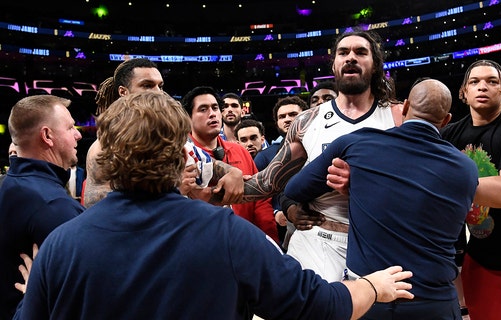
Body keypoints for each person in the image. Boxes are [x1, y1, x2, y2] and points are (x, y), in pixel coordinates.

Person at [11, 91, 415, 320]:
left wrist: (36, 295)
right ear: (182, 153)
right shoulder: (227, 234)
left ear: (108, 155)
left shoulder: (61, 246)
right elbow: (318, 306)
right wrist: (371, 287)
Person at [284, 78, 478, 319]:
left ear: (405, 107)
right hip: (436, 302)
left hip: (374, 298)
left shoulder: (356, 143)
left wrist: (357, 185)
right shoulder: (467, 169)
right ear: (446, 120)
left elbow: (294, 189)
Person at [238, 28, 403, 282]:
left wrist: (362, 184)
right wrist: (216, 188)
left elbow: (419, 187)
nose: (351, 57)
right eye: (343, 52)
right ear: (334, 65)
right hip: (317, 240)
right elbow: (269, 181)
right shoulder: (307, 121)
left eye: (360, 52)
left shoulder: (399, 117)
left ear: (375, 64)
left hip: (380, 241)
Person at [439, 59, 501, 320]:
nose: (482, 87)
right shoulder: (450, 135)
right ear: (463, 93)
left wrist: (446, 183)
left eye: (491, 81)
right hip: (483, 260)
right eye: (474, 82)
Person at [83, 58, 243, 208]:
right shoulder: (104, 147)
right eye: (147, 85)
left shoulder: (164, 136)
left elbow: (206, 161)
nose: (158, 93)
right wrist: (172, 192)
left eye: (160, 86)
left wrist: (232, 172)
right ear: (123, 92)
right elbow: (97, 209)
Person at [0, 95, 84, 319]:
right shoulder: (55, 207)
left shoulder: (9, 184)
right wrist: (36, 294)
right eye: (70, 127)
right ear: (47, 136)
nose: (78, 134)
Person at [181, 86, 279, 243]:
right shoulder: (179, 156)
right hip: (200, 246)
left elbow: (260, 203)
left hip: (245, 243)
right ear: (188, 117)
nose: (212, 113)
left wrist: (269, 238)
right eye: (203, 109)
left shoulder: (239, 150)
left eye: (215, 108)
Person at [254, 96, 310, 248]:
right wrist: (276, 212)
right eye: (282, 116)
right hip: (285, 230)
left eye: (292, 114)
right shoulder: (265, 156)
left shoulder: (321, 146)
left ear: (306, 115)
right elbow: (260, 195)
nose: (287, 119)